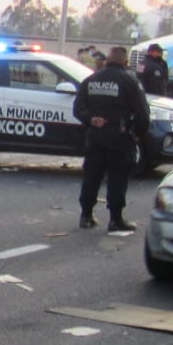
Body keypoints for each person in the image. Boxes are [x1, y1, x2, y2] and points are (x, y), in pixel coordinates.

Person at [73, 45, 150, 232]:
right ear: (125, 62)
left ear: (107, 59)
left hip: (95, 136)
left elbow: (78, 109)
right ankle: (115, 219)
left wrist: (91, 119)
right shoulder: (129, 82)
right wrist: (138, 135)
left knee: (92, 176)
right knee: (117, 178)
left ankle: (86, 215)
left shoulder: (91, 80)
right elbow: (143, 113)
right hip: (120, 137)